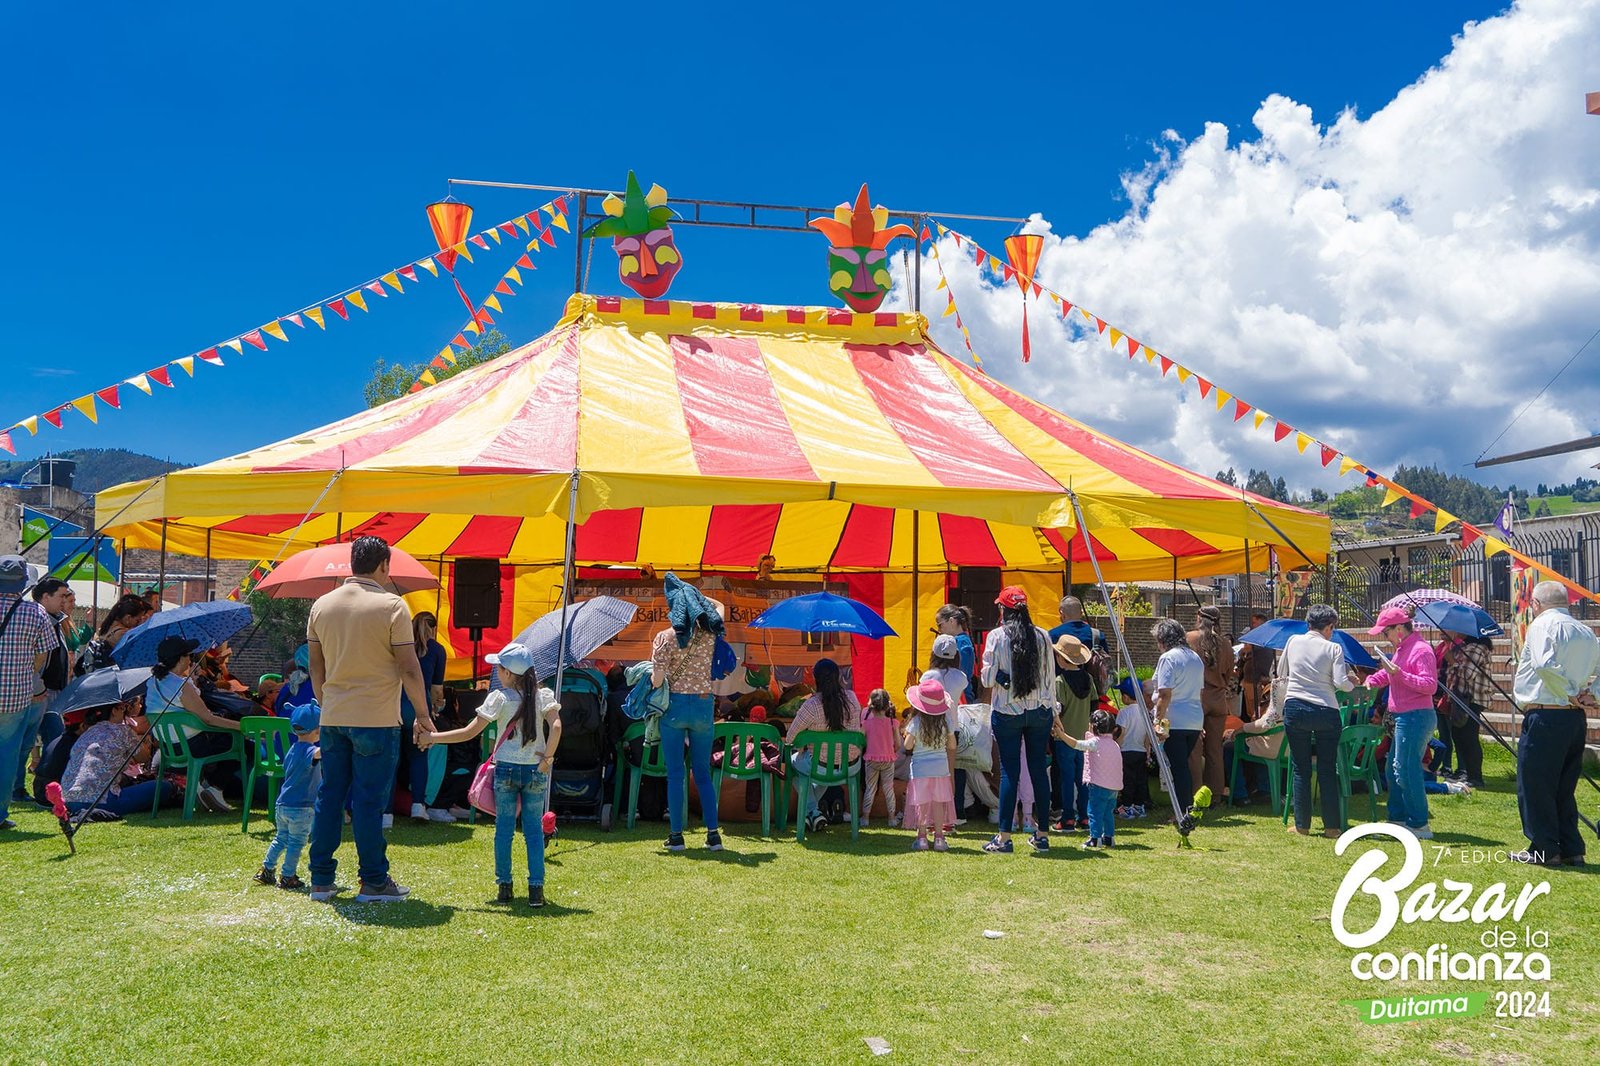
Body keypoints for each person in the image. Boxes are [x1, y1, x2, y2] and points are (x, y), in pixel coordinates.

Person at [305, 535, 432, 904]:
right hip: (376, 719)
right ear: (383, 565)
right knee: (369, 801)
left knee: (330, 797)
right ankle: (374, 880)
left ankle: (321, 880)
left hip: (334, 716)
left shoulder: (321, 605)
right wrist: (423, 715)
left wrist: (328, 703)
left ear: (352, 563)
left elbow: (316, 668)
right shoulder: (392, 605)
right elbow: (409, 668)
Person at [423, 642, 562, 906]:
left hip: (505, 768)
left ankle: (504, 888)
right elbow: (556, 726)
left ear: (508, 673)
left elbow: (469, 732)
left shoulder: (499, 698)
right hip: (535, 769)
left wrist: (433, 737)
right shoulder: (543, 696)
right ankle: (536, 891)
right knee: (533, 832)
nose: (496, 672)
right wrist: (547, 759)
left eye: (498, 668)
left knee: (504, 831)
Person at [1243, 604, 1352, 837]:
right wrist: (1352, 683)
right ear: (1329, 626)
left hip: (1296, 707)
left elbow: (1282, 673)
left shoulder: (1293, 641)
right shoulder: (1334, 648)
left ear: (1309, 624)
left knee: (1300, 768)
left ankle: (1302, 825)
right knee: (1327, 767)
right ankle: (1332, 827)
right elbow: (1341, 683)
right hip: (1326, 709)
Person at [1510, 580, 1599, 867]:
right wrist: (1592, 695)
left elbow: (1543, 665)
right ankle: (1572, 847)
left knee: (1535, 784)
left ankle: (1544, 848)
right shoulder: (1585, 631)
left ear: (1535, 604)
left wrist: (1569, 692)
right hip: (1575, 719)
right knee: (1563, 785)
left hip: (1546, 713)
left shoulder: (1542, 625)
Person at [649, 573, 725, 852]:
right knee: (703, 773)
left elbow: (657, 681)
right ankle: (713, 835)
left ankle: (676, 836)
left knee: (675, 774)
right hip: (704, 704)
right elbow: (720, 607)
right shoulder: (710, 634)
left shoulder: (665, 638)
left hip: (675, 707)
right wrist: (696, 596)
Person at [979, 586, 1055, 854]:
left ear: (1003, 609)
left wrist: (1000, 675)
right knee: (1038, 771)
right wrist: (1054, 711)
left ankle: (1004, 837)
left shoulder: (996, 637)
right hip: (1040, 710)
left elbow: (986, 679)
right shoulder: (1043, 636)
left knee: (1010, 772)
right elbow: (1049, 678)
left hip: (1007, 711)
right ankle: (1042, 835)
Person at [1365, 606, 1439, 840]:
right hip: (1405, 717)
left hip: (1415, 716)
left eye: (1385, 632)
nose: (1385, 637)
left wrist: (1399, 674)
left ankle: (1419, 824)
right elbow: (1390, 674)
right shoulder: (1402, 649)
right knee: (1394, 769)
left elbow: (1430, 685)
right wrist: (1372, 680)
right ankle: (1397, 819)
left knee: (1406, 769)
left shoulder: (1421, 650)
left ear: (1399, 629)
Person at [146, 636, 243, 810]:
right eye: (188, 655)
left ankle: (205, 788)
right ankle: (214, 788)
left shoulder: (152, 683)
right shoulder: (182, 686)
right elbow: (208, 718)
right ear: (180, 659)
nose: (191, 659)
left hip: (168, 748)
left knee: (223, 738)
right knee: (243, 744)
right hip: (191, 747)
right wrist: (241, 727)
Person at [0, 556, 59, 831]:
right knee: (7, 756)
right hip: (15, 696)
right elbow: (43, 655)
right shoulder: (36, 613)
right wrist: (25, 674)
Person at [59, 694, 178, 816]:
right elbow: (144, 757)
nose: (124, 712)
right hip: (102, 802)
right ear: (114, 711)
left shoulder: (86, 734)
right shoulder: (123, 731)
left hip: (69, 801)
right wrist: (143, 740)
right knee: (164, 786)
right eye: (122, 708)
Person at [785, 657, 863, 833]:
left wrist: (803, 744)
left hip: (820, 766)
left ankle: (811, 811)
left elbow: (790, 739)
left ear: (815, 679)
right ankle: (813, 813)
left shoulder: (811, 705)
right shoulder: (852, 698)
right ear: (838, 677)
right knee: (824, 770)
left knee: (793, 766)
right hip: (850, 766)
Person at [254, 703, 322, 890]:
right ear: (317, 730)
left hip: (282, 804)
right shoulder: (309, 750)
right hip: (301, 807)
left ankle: (266, 870)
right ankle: (287, 876)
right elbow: (319, 753)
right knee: (296, 842)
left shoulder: (292, 749)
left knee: (281, 838)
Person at [20, 578, 76, 800]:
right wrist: (36, 687)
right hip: (39, 692)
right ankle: (20, 789)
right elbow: (36, 660)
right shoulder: (38, 619)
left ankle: (47, 787)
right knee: (29, 743)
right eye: (61, 596)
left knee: (54, 740)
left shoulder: (55, 620)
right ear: (45, 597)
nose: (65, 600)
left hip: (51, 692)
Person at [1149, 618, 1204, 813]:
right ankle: (1185, 807)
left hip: (1174, 719)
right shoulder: (1195, 657)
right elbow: (1200, 691)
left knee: (1178, 769)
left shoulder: (1168, 658)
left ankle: (1183, 811)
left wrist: (1157, 721)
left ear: (1163, 640)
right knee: (1182, 766)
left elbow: (1165, 694)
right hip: (1194, 719)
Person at [401, 611, 450, 822]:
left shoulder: (401, 647)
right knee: (419, 756)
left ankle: (385, 813)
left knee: (392, 758)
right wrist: (438, 705)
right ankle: (418, 806)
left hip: (394, 705)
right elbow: (437, 689)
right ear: (434, 629)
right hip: (419, 708)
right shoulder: (437, 650)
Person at [1055, 708, 1122, 849]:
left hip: (1098, 785)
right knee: (1108, 813)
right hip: (1114, 787)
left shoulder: (1095, 742)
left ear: (1093, 726)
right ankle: (1109, 837)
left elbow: (1076, 744)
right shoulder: (1114, 744)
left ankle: (1095, 838)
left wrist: (1061, 734)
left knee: (1095, 812)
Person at [901, 678, 957, 851]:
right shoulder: (946, 722)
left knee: (922, 804)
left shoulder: (916, 722)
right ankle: (939, 838)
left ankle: (922, 838)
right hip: (940, 769)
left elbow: (907, 746)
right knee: (939, 803)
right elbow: (952, 745)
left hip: (920, 770)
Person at [919, 633, 968, 825]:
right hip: (952, 728)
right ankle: (948, 817)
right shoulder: (960, 677)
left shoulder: (928, 676)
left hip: (932, 728)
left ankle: (931, 816)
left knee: (930, 772)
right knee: (949, 773)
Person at [1187, 606, 1235, 800]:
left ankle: (1196, 793)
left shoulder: (1190, 639)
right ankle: (1215, 794)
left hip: (1197, 697)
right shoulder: (1226, 644)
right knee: (1215, 750)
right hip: (1218, 699)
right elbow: (1229, 674)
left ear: (1199, 618)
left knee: (1194, 749)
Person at [1049, 634, 1095, 832]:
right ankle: (1084, 817)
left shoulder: (1060, 681)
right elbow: (1094, 705)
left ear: (1061, 658)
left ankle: (1067, 817)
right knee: (1083, 779)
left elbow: (1058, 709)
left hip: (1064, 737)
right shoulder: (1088, 678)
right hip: (1085, 737)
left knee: (1066, 779)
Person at [1439, 630, 1492, 789]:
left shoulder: (1477, 648)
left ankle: (1476, 777)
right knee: (1459, 735)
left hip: (1471, 699)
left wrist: (1452, 661)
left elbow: (1467, 674)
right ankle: (1467, 773)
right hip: (1460, 698)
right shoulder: (1465, 647)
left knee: (1469, 737)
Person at [73, 594, 152, 676]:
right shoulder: (123, 634)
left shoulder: (105, 628)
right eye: (137, 620)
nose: (139, 623)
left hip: (101, 675)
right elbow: (136, 656)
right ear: (128, 618)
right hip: (114, 675)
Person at [860, 688, 899, 828]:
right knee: (889, 789)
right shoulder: (893, 722)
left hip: (871, 759)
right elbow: (898, 743)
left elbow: (860, 740)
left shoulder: (866, 722)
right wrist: (892, 750)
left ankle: (865, 817)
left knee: (870, 788)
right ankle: (892, 818)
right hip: (888, 759)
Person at [1114, 679, 1153, 817]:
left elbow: (1121, 733)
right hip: (1141, 751)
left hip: (1125, 751)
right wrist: (1147, 751)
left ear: (1125, 697)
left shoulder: (1124, 713)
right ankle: (1139, 805)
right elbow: (1148, 735)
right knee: (1140, 780)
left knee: (1127, 780)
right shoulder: (1145, 712)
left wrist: (1116, 747)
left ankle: (1126, 806)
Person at [934, 604, 978, 702]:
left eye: (940, 625)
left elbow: (961, 674)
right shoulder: (958, 642)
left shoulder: (962, 644)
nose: (939, 630)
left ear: (951, 621)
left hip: (961, 698)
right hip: (955, 696)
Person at [1236, 612, 1275, 719]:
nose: (1252, 625)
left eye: (1254, 623)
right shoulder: (1259, 638)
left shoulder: (1261, 639)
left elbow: (1246, 650)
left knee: (1255, 712)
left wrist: (1245, 650)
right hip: (1251, 680)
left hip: (1257, 680)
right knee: (1251, 711)